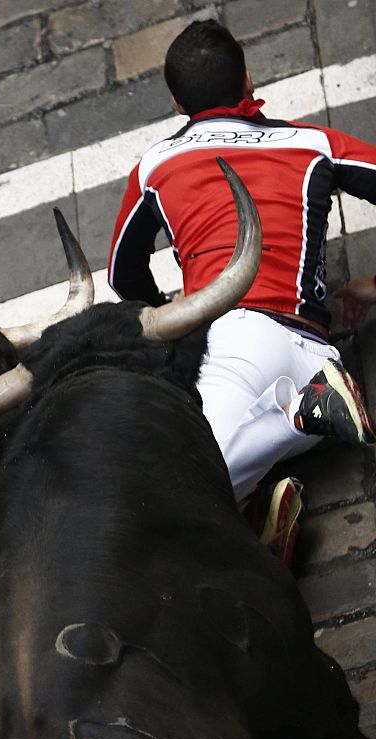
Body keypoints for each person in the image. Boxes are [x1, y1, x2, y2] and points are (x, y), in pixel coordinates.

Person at [108, 20, 376, 559]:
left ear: (175, 101)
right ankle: (266, 520)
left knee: (177, 494)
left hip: (234, 341)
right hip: (313, 347)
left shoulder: (156, 165)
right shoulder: (313, 142)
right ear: (249, 77)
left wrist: (174, 314)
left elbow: (123, 275)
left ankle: (303, 418)